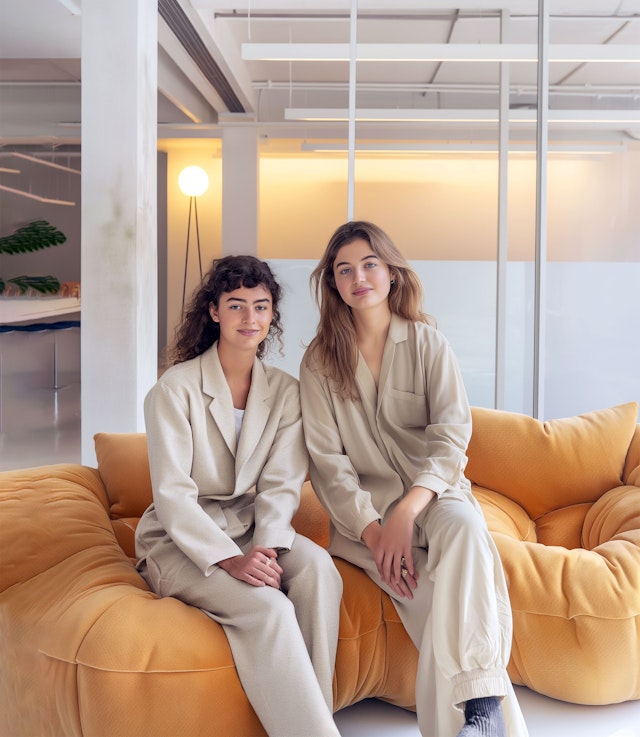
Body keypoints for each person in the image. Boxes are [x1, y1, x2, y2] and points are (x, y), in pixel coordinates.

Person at [299, 222, 528, 737]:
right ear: (333, 284)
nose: (358, 277)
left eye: (369, 264)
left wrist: (409, 509)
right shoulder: (319, 362)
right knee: (434, 604)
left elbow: (451, 435)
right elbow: (327, 464)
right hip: (366, 526)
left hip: (436, 497)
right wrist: (377, 530)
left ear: (392, 272)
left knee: (469, 532)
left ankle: (480, 714)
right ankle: (483, 715)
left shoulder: (428, 343)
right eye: (344, 270)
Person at [135, 255, 343, 737]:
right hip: (178, 538)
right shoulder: (174, 389)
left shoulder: (287, 392)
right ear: (214, 312)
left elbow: (282, 482)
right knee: (269, 607)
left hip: (250, 523)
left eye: (261, 306)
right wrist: (232, 560)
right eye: (236, 306)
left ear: (273, 315)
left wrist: (264, 548)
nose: (250, 319)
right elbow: (172, 497)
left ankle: (314, 718)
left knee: (319, 573)